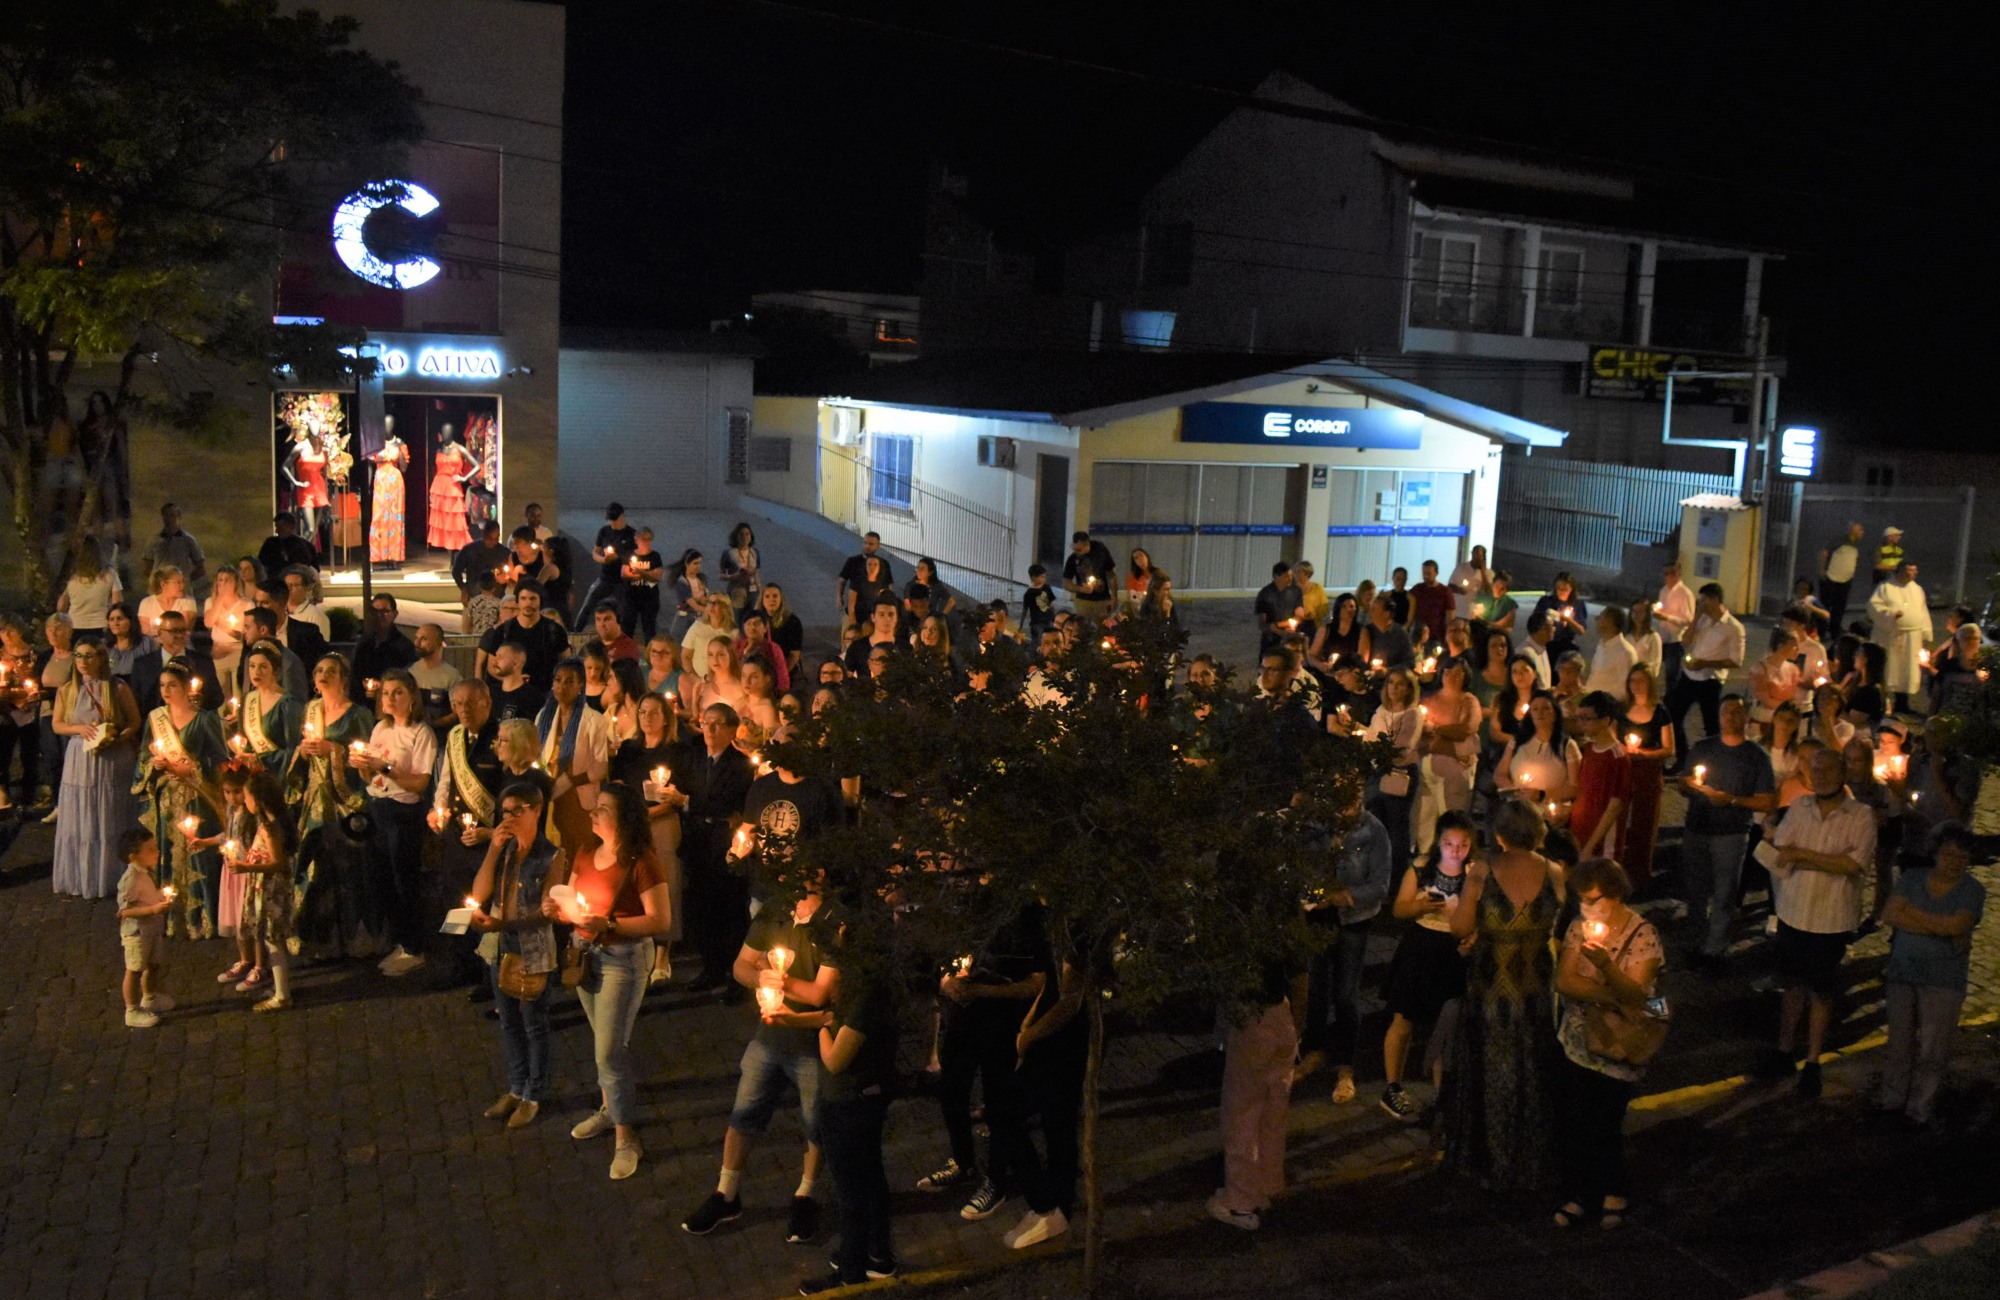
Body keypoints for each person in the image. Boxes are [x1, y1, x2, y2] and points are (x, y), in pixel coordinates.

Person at [681, 877, 841, 1238]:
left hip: (813, 1042)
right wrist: (760, 977)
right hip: (769, 1038)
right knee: (744, 1113)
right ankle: (726, 1193)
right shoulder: (775, 910)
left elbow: (820, 994)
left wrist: (779, 982)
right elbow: (741, 965)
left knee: (815, 1123)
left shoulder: (835, 921)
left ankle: (805, 1195)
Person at [1444, 797, 1565, 1192]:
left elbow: (1460, 928)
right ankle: (1532, 1159)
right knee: (1533, 1072)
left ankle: (1492, 1162)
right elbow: (1559, 924)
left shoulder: (1483, 872)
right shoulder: (1554, 872)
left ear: (1498, 834)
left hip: (1492, 989)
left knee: (1492, 1073)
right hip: (1536, 989)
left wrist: (1471, 921)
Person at [555, 783, 672, 1179]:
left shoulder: (642, 861)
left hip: (623, 959)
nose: (593, 813)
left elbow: (660, 920)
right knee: (601, 1042)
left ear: (625, 818)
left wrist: (610, 925)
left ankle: (626, 1138)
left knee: (609, 1051)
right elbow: (573, 899)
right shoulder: (586, 851)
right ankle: (610, 1108)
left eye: (603, 808)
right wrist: (558, 908)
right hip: (584, 955)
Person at [1552, 857, 1664, 1231]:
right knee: (1576, 1121)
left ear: (1614, 895)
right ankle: (1579, 1193)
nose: (1587, 909)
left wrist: (1606, 967)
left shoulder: (1643, 935)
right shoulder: (1578, 928)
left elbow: (1636, 994)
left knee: (1605, 1123)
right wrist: (1609, 997)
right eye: (1582, 901)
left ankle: (1613, 1190)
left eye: (1593, 900)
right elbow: (1564, 981)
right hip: (1578, 1042)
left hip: (1618, 1047)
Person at [1763, 746, 1876, 1097]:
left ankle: (1813, 1060)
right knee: (1792, 985)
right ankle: (1784, 1051)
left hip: (1830, 920)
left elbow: (1853, 864)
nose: (1821, 776)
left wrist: (1803, 856)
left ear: (1842, 772)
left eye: (1828, 769)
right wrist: (1823, 860)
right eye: (1816, 770)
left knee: (1821, 992)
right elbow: (1783, 850)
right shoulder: (1799, 807)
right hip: (1794, 912)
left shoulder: (1861, 815)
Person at [799, 918, 900, 1292]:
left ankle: (851, 1272)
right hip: (863, 1101)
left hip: (849, 1105)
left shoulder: (866, 999)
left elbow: (835, 1059)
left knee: (850, 1192)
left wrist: (821, 1030)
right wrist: (794, 1019)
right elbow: (832, 1018)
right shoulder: (868, 989)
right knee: (870, 1179)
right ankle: (878, 1256)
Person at [468, 782, 563, 1131]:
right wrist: (493, 850)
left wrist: (502, 924)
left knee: (534, 1024)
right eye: (505, 812)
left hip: (532, 951)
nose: (509, 818)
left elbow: (547, 915)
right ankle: (516, 1087)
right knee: (508, 1023)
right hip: (499, 947)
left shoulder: (552, 855)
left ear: (537, 810)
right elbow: (480, 892)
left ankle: (533, 1095)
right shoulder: (505, 849)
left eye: (517, 811)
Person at [1876, 824, 1985, 1126]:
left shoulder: (1972, 890)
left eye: (1962, 856)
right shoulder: (1912, 878)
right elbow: (1890, 914)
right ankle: (1892, 1101)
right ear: (1935, 854)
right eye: (1949, 854)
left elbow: (1957, 925)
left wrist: (1911, 914)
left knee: (1932, 1051)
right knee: (1899, 1044)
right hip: (1903, 972)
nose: (1955, 862)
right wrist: (1943, 928)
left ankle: (1919, 1110)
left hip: (1943, 980)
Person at [1379, 810, 1474, 1123]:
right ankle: (1392, 1087)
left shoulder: (1474, 874)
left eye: (1462, 845)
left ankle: (1442, 1098)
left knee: (1444, 1027)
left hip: (1453, 951)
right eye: (1449, 843)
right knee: (1403, 1019)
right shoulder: (1421, 867)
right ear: (1439, 841)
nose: (1455, 851)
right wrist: (1421, 905)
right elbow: (1399, 909)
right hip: (1420, 948)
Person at [1299, 792, 1393, 1108]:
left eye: (1350, 801)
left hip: (1353, 919)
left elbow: (1380, 886)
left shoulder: (1374, 830)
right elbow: (1301, 866)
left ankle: (1345, 1067)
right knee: (1316, 988)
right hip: (1319, 916)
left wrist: (1345, 895)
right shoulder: (1315, 825)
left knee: (1346, 994)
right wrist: (1314, 894)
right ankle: (1313, 1051)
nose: (1344, 810)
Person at [288, 654, 379, 958]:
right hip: (316, 801)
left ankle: (355, 937)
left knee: (348, 869)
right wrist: (304, 752)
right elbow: (302, 752)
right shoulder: (311, 710)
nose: (323, 675)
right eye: (319, 670)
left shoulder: (358, 714)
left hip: (346, 801)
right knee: (315, 867)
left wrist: (334, 750)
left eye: (331, 671)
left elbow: (367, 758)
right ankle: (319, 939)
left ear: (343, 679)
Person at [1209, 956, 1308, 1234]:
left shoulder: (1248, 935)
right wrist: (1297, 1030)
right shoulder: (1291, 932)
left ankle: (1240, 1202)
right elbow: (1301, 982)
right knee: (1273, 1111)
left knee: (1241, 1112)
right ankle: (1265, 1185)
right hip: (1282, 1015)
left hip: (1253, 1019)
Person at [1678, 695, 1776, 972]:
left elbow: (1766, 801)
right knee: (1696, 891)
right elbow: (1683, 784)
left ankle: (1715, 950)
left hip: (1731, 834)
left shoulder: (1756, 756)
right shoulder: (1703, 747)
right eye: (1725, 712)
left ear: (1746, 717)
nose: (1730, 717)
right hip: (1697, 828)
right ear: (1719, 716)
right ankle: (1695, 943)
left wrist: (1731, 800)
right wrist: (1692, 785)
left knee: (1724, 893)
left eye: (1736, 712)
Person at [351, 670, 438, 978]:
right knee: (383, 880)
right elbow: (370, 777)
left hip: (403, 812)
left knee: (405, 882)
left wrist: (385, 767)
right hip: (378, 807)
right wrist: (361, 765)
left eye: (398, 692)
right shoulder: (380, 729)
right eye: (386, 693)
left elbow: (419, 783)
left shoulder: (421, 733)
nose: (390, 698)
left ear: (411, 696)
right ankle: (400, 941)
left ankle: (415, 947)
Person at [135, 663, 228, 937]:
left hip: (197, 797)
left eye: (172, 685)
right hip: (168, 798)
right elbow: (143, 757)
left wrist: (194, 769)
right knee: (170, 851)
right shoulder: (156, 718)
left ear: (187, 688)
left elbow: (220, 759)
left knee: (199, 854)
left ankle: (205, 917)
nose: (166, 690)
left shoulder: (205, 719)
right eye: (162, 685)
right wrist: (154, 765)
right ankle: (175, 915)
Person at [51, 639, 141, 898]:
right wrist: (79, 729)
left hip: (113, 758)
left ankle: (114, 874)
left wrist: (117, 738)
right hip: (80, 758)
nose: (83, 661)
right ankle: (85, 875)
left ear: (101, 658)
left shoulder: (117, 687)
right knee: (84, 813)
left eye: (89, 656)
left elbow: (134, 721)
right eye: (78, 656)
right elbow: (57, 724)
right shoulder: (67, 690)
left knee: (111, 813)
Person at [679, 703, 756, 992]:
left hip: (724, 843)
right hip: (697, 841)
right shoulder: (696, 758)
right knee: (701, 909)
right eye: (706, 722)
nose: (709, 729)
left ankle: (736, 977)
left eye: (717, 723)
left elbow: (727, 804)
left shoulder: (740, 765)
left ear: (732, 729)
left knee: (729, 911)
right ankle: (710, 968)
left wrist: (688, 802)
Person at [611, 691, 686, 985]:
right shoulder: (629, 750)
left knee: (665, 883)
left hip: (662, 822)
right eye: (642, 712)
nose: (647, 718)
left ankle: (662, 955)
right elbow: (618, 786)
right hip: (632, 824)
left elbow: (677, 796)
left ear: (666, 718)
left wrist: (648, 813)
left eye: (654, 712)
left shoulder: (677, 751)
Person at [232, 769, 299, 1012]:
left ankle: (282, 995)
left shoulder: (270, 828)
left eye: (247, 797)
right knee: (271, 940)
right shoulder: (268, 824)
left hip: (272, 890)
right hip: (266, 888)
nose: (245, 801)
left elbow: (278, 863)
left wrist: (246, 867)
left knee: (274, 941)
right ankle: (280, 987)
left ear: (258, 800)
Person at [536, 659, 612, 852]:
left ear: (580, 686)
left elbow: (600, 766)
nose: (562, 686)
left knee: (577, 850)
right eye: (558, 680)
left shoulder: (595, 720)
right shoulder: (543, 716)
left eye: (569, 681)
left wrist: (570, 780)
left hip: (577, 798)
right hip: (547, 792)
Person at [1665, 582, 1744, 764]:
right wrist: (1696, 618)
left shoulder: (1733, 627)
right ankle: (1683, 757)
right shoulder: (1702, 620)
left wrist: (1705, 664)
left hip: (1711, 680)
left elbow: (1736, 661)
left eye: (1704, 601)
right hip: (1689, 676)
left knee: (1711, 725)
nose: (1701, 605)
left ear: (1715, 600)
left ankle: (1713, 762)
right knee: (1673, 715)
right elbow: (1685, 642)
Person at [1618, 665, 1673, 892]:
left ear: (1650, 683)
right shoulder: (1622, 709)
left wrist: (1643, 754)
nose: (1636, 685)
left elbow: (1669, 749)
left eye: (1641, 680)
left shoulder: (1660, 712)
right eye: (1632, 681)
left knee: (1645, 822)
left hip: (1648, 772)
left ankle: (1639, 875)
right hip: (1624, 770)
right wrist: (1625, 749)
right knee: (1619, 818)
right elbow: (1612, 737)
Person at [115, 828, 174, 1028]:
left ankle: (149, 997)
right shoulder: (130, 879)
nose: (157, 852)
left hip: (152, 929)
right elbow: (124, 911)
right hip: (137, 934)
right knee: (135, 969)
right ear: (133, 856)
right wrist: (153, 909)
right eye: (150, 849)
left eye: (155, 847)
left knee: (153, 964)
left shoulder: (147, 871)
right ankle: (131, 1010)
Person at [1566, 692, 1631, 861]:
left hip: (1602, 841)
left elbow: (1615, 806)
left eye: (1587, 718)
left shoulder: (1617, 757)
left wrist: (1590, 846)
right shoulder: (1590, 748)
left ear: (1605, 720)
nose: (1581, 724)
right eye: (1579, 718)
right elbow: (1584, 790)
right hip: (1581, 829)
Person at [483, 581, 571, 691]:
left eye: (533, 599)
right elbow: (492, 666)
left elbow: (567, 663)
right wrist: (514, 680)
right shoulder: (503, 631)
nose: (528, 603)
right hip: (511, 693)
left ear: (540, 601)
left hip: (545, 692)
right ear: (518, 602)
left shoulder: (554, 630)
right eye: (523, 599)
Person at [1869, 561, 1930, 713]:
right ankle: (1884, 703)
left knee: (1907, 670)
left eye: (1915, 570)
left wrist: (1926, 632)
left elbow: (1923, 611)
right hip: (1892, 635)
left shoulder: (1917, 589)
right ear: (1901, 570)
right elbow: (1874, 607)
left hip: (1912, 637)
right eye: (1911, 570)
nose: (1914, 573)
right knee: (1891, 668)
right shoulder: (1885, 588)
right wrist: (1891, 613)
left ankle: (1903, 703)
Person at [574, 503, 637, 631]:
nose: (612, 522)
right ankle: (576, 631)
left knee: (625, 611)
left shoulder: (631, 534)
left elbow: (635, 557)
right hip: (605, 578)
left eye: (615, 519)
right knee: (588, 604)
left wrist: (618, 557)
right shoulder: (604, 531)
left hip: (622, 581)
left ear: (622, 516)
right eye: (610, 519)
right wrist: (603, 559)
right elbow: (595, 552)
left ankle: (625, 635)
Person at [350, 594, 417, 689]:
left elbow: (407, 678)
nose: (379, 616)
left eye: (384, 612)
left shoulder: (404, 646)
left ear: (394, 614)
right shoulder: (364, 643)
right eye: (375, 611)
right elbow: (355, 674)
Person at [1748, 626, 1803, 738]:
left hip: (1783, 722)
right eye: (1794, 646)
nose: (1798, 650)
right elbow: (1765, 700)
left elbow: (1792, 697)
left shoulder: (1793, 669)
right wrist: (1786, 708)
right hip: (1763, 721)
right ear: (1781, 646)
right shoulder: (1760, 668)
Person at [140, 501, 206, 594]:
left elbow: (201, 568)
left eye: (172, 515)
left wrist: (184, 580)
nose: (169, 519)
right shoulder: (154, 540)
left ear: (179, 516)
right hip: (160, 590)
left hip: (181, 591)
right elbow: (146, 567)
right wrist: (156, 581)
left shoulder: (188, 540)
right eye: (166, 515)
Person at [58, 541, 120, 639]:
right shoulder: (109, 574)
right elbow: (117, 602)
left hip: (75, 625)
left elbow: (61, 605)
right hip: (101, 625)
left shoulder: (74, 577)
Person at [408, 623, 463, 732]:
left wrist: (435, 724)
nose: (417, 643)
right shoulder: (409, 673)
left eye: (424, 639)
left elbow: (457, 711)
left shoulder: (451, 676)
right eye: (417, 638)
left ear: (438, 643)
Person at [202, 568, 251, 687]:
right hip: (219, 651)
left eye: (227, 580)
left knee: (238, 688)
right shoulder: (211, 602)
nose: (223, 583)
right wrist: (221, 597)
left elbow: (246, 633)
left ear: (235, 583)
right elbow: (208, 622)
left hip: (238, 651)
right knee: (221, 690)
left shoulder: (247, 604)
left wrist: (220, 624)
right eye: (220, 580)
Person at [1818, 522, 1865, 634]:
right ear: (1852, 530)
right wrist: (1822, 570)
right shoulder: (1840, 541)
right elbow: (1824, 553)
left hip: (1845, 580)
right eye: (1860, 530)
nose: (1862, 532)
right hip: (1832, 579)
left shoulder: (1855, 544)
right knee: (1826, 606)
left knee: (1839, 607)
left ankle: (1835, 629)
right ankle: (1821, 630)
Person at [1532, 573, 1589, 664]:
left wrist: (1568, 620)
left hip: (1567, 646)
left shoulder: (1578, 604)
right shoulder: (1546, 601)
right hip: (1547, 645)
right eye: (1558, 588)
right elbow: (1533, 623)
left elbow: (1581, 630)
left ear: (1572, 589)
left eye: (1565, 589)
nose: (1561, 592)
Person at [681, 593, 738, 683]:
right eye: (709, 602)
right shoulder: (697, 627)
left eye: (716, 603)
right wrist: (694, 677)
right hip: (698, 680)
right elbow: (685, 656)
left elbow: (735, 661)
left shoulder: (733, 633)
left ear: (724, 607)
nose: (711, 606)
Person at [1654, 560, 1695, 684]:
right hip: (1662, 636)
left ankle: (1672, 694)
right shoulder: (1663, 591)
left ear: (1678, 574)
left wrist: (1667, 618)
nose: (1667, 577)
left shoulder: (1685, 594)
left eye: (1671, 573)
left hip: (1676, 639)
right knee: (1655, 668)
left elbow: (1688, 620)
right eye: (1665, 574)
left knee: (1672, 673)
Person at [1062, 531, 1117, 621]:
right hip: (1083, 601)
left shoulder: (1100, 551)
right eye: (1074, 549)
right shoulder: (1072, 559)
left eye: (1079, 550)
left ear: (1087, 545)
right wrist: (1081, 589)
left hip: (1102, 600)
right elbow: (1066, 583)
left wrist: (1113, 597)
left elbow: (1111, 575)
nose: (1076, 552)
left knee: (1103, 625)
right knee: (1083, 625)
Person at [137, 564, 198, 641]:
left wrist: (160, 631)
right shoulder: (146, 603)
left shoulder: (188, 601)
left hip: (179, 643)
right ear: (163, 585)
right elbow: (146, 631)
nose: (182, 586)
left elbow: (182, 628)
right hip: (153, 644)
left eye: (183, 582)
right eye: (178, 582)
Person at [1584, 606, 1636, 696]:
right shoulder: (1601, 646)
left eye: (1600, 617)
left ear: (1610, 622)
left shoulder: (1624, 652)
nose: (1597, 620)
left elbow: (1624, 688)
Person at [758, 584, 805, 678]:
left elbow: (794, 655)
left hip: (784, 667)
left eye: (775, 596)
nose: (772, 600)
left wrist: (781, 675)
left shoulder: (792, 621)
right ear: (762, 600)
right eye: (767, 596)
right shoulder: (757, 620)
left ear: (781, 599)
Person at [102, 603, 155, 681]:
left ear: (131, 621)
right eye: (111, 619)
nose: (115, 623)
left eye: (120, 619)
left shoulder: (147, 643)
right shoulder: (103, 645)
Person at [257, 511, 317, 579]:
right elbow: (261, 563)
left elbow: (312, 568)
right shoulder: (271, 543)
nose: (277, 531)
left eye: (281, 527)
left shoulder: (305, 545)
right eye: (277, 527)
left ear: (291, 526)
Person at [1411, 559, 1455, 647]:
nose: (1426, 576)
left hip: (1436, 636)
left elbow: (1450, 616)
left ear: (1436, 573)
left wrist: (1449, 635)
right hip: (1418, 635)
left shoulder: (1445, 592)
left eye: (1429, 573)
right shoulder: (1418, 589)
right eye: (1424, 573)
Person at [1469, 569, 1517, 640]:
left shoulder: (1510, 604)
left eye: (1502, 589)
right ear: (1493, 584)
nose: (1498, 590)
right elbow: (1473, 616)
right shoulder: (1483, 597)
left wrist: (1488, 624)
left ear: (1507, 590)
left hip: (1498, 638)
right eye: (1497, 586)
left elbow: (1508, 628)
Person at [1449, 545, 1490, 621]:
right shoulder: (1461, 568)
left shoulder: (1489, 573)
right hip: (1459, 612)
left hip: (1475, 615)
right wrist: (1459, 590)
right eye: (1475, 555)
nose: (1476, 558)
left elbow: (1488, 591)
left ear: (1484, 557)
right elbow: (1450, 586)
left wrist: (1483, 573)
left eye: (1479, 556)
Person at [1021, 564, 1057, 643]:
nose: (1044, 579)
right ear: (1034, 577)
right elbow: (1025, 610)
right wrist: (1021, 624)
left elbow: (1050, 604)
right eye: (1042, 577)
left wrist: (1054, 617)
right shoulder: (1029, 593)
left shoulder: (1047, 588)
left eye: (1044, 577)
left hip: (1049, 620)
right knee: (1037, 642)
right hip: (1037, 623)